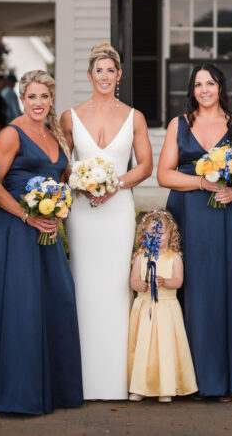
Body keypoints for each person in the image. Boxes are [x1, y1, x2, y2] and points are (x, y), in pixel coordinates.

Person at [0, 70, 83, 415]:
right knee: (21, 311)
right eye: (32, 96)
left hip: (46, 230)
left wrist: (62, 206)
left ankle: (52, 388)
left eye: (44, 96)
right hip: (14, 231)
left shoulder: (55, 134)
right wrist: (25, 215)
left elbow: (63, 179)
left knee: (57, 303)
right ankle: (16, 393)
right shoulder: (11, 134)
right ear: (22, 99)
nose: (38, 103)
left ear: (52, 98)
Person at [60, 42, 153, 400]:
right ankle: (80, 377)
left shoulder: (135, 117)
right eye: (98, 70)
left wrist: (115, 184)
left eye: (110, 70)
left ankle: (116, 378)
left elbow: (144, 165)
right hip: (83, 210)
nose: (104, 76)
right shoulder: (70, 116)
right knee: (82, 283)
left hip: (117, 209)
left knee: (116, 287)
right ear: (89, 75)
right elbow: (63, 161)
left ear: (118, 76)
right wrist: (78, 184)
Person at [157, 63, 232, 401]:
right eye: (197, 84)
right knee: (188, 288)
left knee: (221, 291)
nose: (204, 89)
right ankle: (185, 378)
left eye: (210, 83)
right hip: (185, 213)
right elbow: (164, 175)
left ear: (220, 87)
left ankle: (224, 378)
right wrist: (201, 182)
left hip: (223, 216)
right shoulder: (178, 125)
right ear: (192, 90)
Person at [127, 209, 197, 403]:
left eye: (161, 232)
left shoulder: (174, 257)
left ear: (170, 234)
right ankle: (139, 386)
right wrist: (138, 284)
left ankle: (166, 387)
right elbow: (133, 280)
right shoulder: (140, 257)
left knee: (165, 348)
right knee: (143, 348)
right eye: (152, 232)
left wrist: (165, 281)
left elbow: (178, 281)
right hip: (144, 308)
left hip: (166, 309)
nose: (157, 236)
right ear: (144, 234)